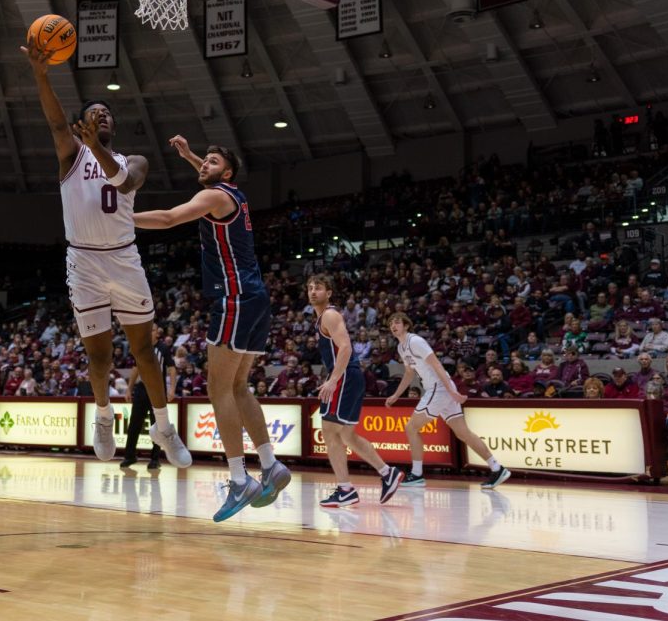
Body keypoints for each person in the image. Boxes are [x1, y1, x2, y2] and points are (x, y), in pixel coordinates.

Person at [23, 43, 189, 467]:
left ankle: (164, 428)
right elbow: (54, 119)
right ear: (82, 124)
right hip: (84, 263)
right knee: (99, 356)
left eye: (107, 113)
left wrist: (95, 143)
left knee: (145, 352)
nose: (102, 116)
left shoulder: (135, 160)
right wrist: (42, 75)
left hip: (124, 259)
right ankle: (101, 414)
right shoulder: (70, 156)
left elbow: (124, 184)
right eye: (94, 113)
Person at [133, 140, 290, 522]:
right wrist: (191, 157)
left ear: (228, 172)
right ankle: (270, 464)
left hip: (233, 299)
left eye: (212, 161)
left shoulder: (215, 196)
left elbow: (170, 218)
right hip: (255, 300)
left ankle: (240, 478)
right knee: (239, 387)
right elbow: (210, 174)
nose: (204, 165)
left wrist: (122, 218)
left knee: (218, 388)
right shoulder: (232, 193)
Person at [306, 275, 401, 508]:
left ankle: (345, 489)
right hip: (349, 376)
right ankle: (387, 472)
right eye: (309, 288)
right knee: (346, 435)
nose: (312, 291)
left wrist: (333, 380)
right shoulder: (321, 318)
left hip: (346, 376)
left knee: (328, 430)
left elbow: (346, 347)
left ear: (329, 292)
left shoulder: (330, 314)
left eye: (318, 288)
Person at [386, 312, 511, 489]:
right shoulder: (401, 347)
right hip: (439, 389)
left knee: (411, 427)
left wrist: (452, 392)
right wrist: (396, 395)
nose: (393, 325)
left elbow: (437, 364)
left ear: (406, 325)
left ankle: (416, 474)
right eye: (391, 322)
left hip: (439, 387)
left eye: (397, 322)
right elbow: (409, 373)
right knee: (463, 433)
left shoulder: (415, 341)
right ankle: (497, 468)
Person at [121, 327, 175, 470]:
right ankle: (129, 456)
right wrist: (129, 388)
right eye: (148, 329)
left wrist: (172, 388)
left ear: (157, 332)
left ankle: (155, 459)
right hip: (141, 390)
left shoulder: (163, 348)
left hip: (157, 391)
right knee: (134, 425)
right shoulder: (141, 347)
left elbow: (172, 368)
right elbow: (135, 368)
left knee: (157, 426)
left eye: (152, 330)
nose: (149, 332)